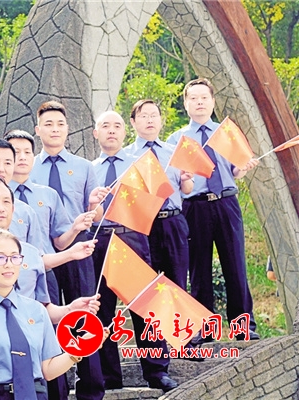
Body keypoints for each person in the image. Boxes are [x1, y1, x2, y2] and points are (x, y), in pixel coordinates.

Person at [0, 177, 98, 400]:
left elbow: (42, 310)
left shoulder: (32, 255)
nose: (0, 208)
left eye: (6, 202)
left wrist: (70, 310)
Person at [0, 229, 108, 400]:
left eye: (15, 257)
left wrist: (80, 349)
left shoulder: (37, 310)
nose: (9, 264)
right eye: (0, 258)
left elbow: (48, 370)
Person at [166, 78, 260, 341]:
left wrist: (243, 168)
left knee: (235, 264)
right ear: (186, 104)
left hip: (226, 203)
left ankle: (243, 326)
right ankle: (204, 329)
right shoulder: (176, 140)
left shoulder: (226, 133)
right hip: (194, 206)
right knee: (199, 268)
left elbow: (235, 171)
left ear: (212, 102)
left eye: (204, 98)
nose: (199, 103)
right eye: (193, 98)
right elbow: (173, 180)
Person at [5, 129, 96, 399]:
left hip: (43, 274)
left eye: (26, 152)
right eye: (15, 153)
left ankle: (57, 394)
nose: (22, 157)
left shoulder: (47, 195)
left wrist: (75, 229)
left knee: (48, 334)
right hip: (4, 275)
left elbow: (58, 241)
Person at [91, 110, 177, 392]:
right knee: (102, 310)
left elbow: (160, 201)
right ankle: (109, 376)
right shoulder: (88, 169)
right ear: (96, 133)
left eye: (117, 126)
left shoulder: (140, 164)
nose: (111, 130)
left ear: (124, 132)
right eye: (105, 126)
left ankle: (157, 371)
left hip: (132, 237)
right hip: (100, 241)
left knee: (144, 308)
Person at [30, 100, 103, 400]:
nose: (55, 129)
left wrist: (93, 206)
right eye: (48, 124)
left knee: (83, 314)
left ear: (68, 129)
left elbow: (97, 215)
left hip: (77, 248)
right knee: (49, 316)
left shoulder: (84, 167)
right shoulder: (27, 167)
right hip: (41, 252)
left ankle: (91, 388)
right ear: (37, 130)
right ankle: (55, 388)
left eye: (60, 124)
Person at [125, 99, 194, 289]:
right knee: (144, 286)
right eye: (144, 116)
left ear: (160, 120)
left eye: (154, 115)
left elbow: (187, 189)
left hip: (173, 222)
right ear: (133, 122)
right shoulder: (126, 156)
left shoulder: (174, 152)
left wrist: (186, 178)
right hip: (142, 226)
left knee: (177, 285)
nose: (150, 120)